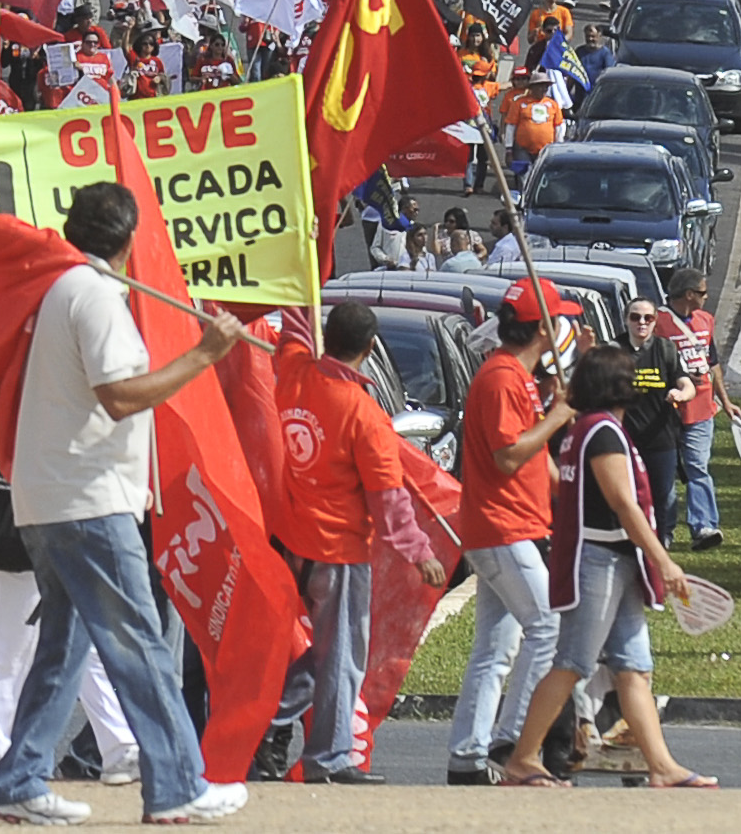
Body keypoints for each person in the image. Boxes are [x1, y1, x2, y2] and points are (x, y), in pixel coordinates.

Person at [0, 182, 252, 827]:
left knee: (66, 646)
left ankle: (18, 778)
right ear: (132, 238)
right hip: (87, 501)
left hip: (59, 498)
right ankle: (178, 783)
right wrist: (205, 354)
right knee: (139, 641)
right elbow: (121, 396)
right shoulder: (96, 294)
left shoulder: (66, 290)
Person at [498, 346, 714, 788]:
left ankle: (661, 767)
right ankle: (522, 757)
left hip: (614, 561)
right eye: (630, 377)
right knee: (572, 662)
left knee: (633, 666)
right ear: (617, 386)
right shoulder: (603, 433)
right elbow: (623, 503)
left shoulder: (588, 429)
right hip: (600, 561)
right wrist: (663, 559)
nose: (636, 382)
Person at [256, 303, 448, 784]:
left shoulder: (293, 371)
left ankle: (262, 720)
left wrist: (309, 278)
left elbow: (297, 322)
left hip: (292, 540)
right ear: (369, 348)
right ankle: (331, 755)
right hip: (338, 551)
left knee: (324, 652)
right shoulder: (363, 413)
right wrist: (420, 553)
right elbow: (389, 499)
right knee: (341, 655)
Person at [444, 278, 580, 785]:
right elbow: (508, 454)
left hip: (512, 523)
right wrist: (559, 416)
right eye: (558, 318)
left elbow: (533, 455)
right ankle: (511, 742)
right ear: (543, 328)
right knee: (549, 627)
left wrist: (566, 496)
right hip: (502, 526)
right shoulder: (501, 377)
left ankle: (468, 756)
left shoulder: (518, 377)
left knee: (494, 650)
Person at [657, 269, 726, 551]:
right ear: (689, 294)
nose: (706, 297)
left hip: (702, 409)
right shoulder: (659, 322)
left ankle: (704, 526)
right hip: (669, 410)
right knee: (666, 469)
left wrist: (725, 399)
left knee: (698, 465)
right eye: (702, 293)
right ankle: (664, 529)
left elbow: (713, 363)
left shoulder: (705, 321)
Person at [618, 298, 693, 544]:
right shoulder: (614, 350)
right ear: (626, 319)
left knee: (661, 496)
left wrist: (681, 394)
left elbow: (686, 383)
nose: (641, 322)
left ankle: (660, 541)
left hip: (661, 438)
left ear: (655, 321)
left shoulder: (665, 350)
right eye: (635, 317)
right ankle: (630, 541)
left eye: (648, 318)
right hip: (624, 439)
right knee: (627, 494)